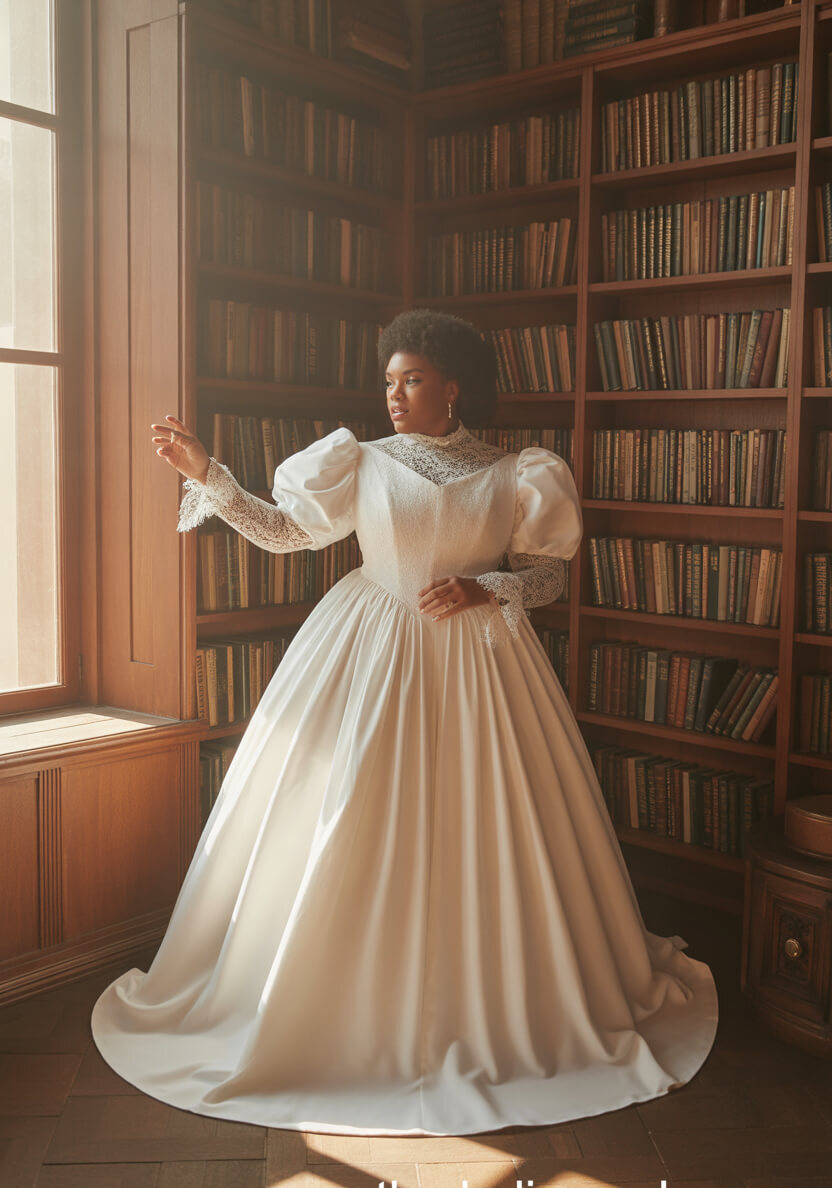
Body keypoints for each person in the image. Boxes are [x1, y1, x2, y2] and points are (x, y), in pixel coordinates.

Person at [90, 307, 718, 1137]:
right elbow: (285, 533)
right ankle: (325, 1011)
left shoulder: (519, 472)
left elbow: (546, 579)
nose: (394, 394)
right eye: (388, 380)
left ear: (452, 388)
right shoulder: (360, 462)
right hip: (367, 647)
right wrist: (210, 474)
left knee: (485, 827)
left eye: (411, 379)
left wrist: (488, 589)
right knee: (342, 816)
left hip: (480, 667)